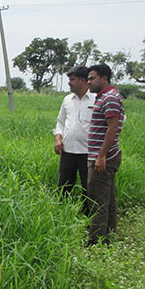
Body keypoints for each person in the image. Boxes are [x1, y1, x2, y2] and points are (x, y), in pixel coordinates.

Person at [86, 63, 125, 246]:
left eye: (92, 78)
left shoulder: (109, 98)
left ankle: (95, 244)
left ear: (104, 78)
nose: (89, 82)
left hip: (103, 159)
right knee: (108, 201)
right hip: (104, 156)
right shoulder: (105, 97)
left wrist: (101, 155)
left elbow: (113, 127)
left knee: (97, 203)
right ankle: (109, 238)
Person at [53, 66, 94, 213]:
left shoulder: (96, 99)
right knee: (64, 186)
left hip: (88, 153)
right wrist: (58, 137)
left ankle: (88, 220)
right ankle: (61, 214)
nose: (69, 83)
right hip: (68, 150)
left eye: (72, 79)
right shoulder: (67, 100)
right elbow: (60, 122)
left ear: (83, 81)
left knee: (88, 188)